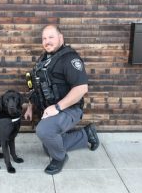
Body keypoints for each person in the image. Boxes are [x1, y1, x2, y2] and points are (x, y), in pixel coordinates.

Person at [24, 25, 100, 175]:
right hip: (54, 111)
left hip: (69, 109)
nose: (47, 41)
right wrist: (30, 107)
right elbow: (36, 87)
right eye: (44, 38)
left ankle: (60, 158)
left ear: (61, 38)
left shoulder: (69, 59)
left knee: (44, 131)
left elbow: (81, 89)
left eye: (51, 37)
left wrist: (57, 107)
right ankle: (86, 134)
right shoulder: (44, 60)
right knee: (49, 146)